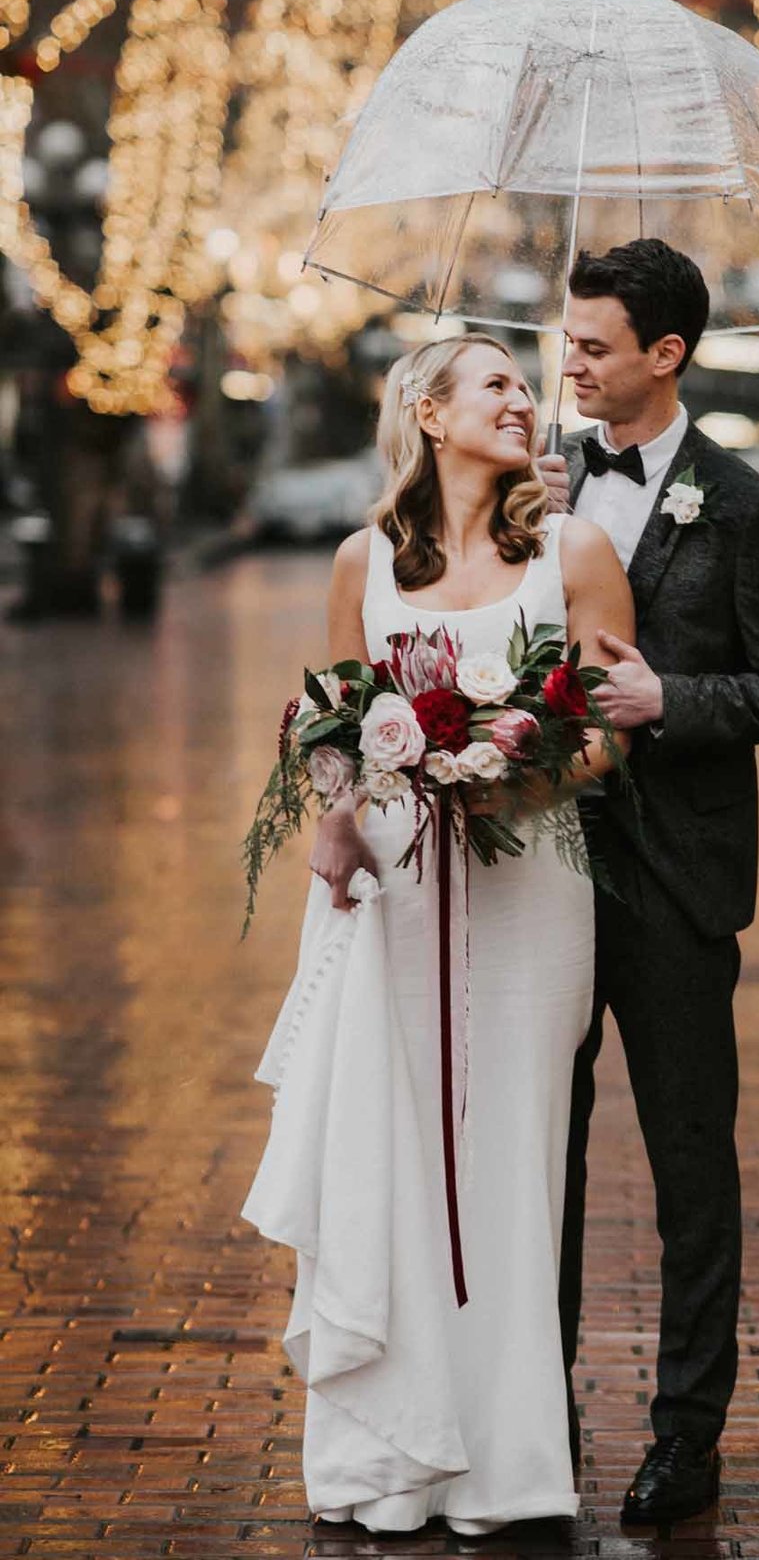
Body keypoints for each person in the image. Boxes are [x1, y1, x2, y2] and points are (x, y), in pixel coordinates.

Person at [242, 332, 634, 1536]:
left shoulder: (574, 550)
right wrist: (331, 816)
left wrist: (521, 775)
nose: (527, 400)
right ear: (427, 411)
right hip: (396, 891)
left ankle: (504, 1466)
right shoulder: (364, 558)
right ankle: (389, 1454)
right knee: (393, 1144)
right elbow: (338, 719)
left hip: (533, 892)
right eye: (499, 385)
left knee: (515, 1156)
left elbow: (613, 721)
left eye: (529, 384)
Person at [543, 237, 759, 1526]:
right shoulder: (537, 489)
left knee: (687, 1162)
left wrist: (674, 698)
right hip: (543, 869)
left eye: (595, 344)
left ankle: (686, 1437)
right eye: (570, 338)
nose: (572, 362)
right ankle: (531, 1413)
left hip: (676, 879)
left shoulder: (747, 505)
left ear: (666, 354)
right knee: (537, 1158)